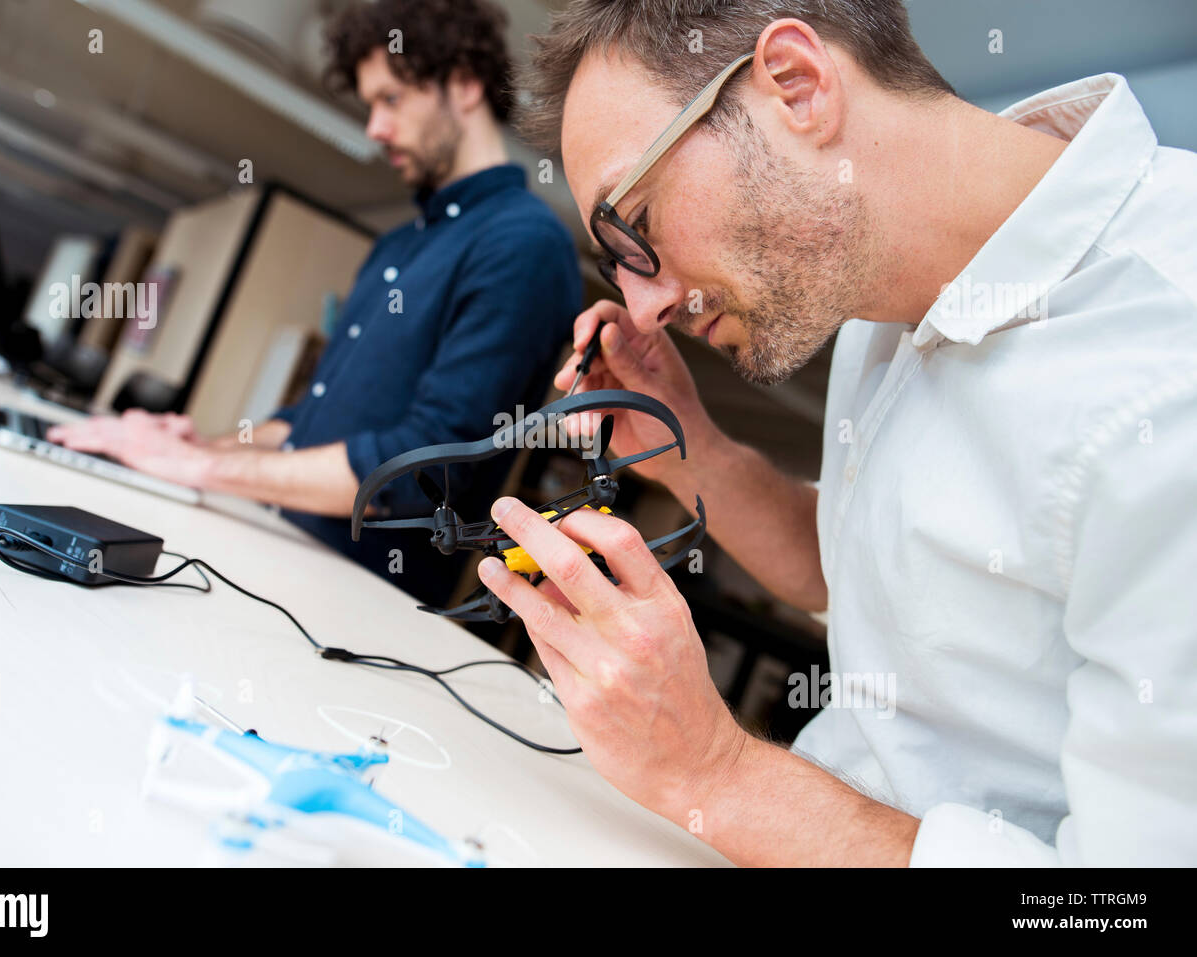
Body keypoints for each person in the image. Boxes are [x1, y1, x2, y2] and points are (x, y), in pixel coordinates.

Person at [475, 0, 1197, 865]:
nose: (645, 306)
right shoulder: (876, 297)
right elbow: (857, 569)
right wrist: (687, 447)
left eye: (637, 229)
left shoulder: (1166, 369)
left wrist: (715, 772)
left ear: (796, 84)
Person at [47, 0, 581, 607]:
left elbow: (424, 470)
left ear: (462, 84)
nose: (375, 128)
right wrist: (191, 447)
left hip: (359, 607)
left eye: (390, 99)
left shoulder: (523, 244)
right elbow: (311, 424)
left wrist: (198, 471)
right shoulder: (396, 246)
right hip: (279, 564)